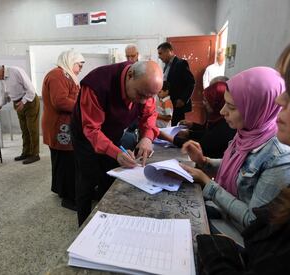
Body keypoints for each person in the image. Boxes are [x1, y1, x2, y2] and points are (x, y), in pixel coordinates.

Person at [195, 24, 290, 275]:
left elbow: (254, 231)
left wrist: (208, 184)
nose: (280, 100)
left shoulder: (287, 162)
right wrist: (206, 162)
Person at [180, 66, 290, 230]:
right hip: (224, 215)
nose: (222, 111)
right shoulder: (248, 132)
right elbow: (241, 168)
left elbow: (253, 220)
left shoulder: (281, 158)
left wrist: (207, 183)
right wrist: (204, 161)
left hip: (239, 234)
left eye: (232, 107)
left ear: (258, 107)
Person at [71, 61, 162, 226]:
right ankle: (84, 226)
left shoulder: (145, 87)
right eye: (141, 95)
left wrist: (147, 137)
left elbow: (150, 114)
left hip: (112, 132)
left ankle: (106, 221)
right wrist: (117, 153)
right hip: (85, 136)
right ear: (130, 75)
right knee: (87, 179)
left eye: (150, 96)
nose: (143, 101)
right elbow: (92, 130)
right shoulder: (96, 85)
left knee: (110, 174)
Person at [41, 50, 85, 211]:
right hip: (59, 126)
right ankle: (68, 198)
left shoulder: (65, 75)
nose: (80, 69)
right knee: (66, 162)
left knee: (62, 161)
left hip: (64, 125)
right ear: (70, 61)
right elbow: (60, 101)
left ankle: (60, 190)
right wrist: (83, 107)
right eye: (79, 65)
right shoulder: (57, 75)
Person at [161, 78, 235, 158]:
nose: (203, 103)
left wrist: (169, 138)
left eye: (207, 100)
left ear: (216, 101)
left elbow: (203, 145)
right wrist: (190, 131)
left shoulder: (227, 123)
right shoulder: (216, 118)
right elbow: (208, 133)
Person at [0, 62, 40, 164]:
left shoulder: (16, 71)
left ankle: (35, 154)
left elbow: (31, 90)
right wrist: (0, 104)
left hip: (29, 101)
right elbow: (5, 93)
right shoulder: (1, 78)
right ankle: (26, 153)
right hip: (18, 103)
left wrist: (23, 102)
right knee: (24, 129)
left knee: (32, 129)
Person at [157, 42, 195, 126]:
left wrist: (183, 99)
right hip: (168, 102)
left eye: (160, 53)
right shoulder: (166, 66)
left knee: (176, 128)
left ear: (168, 51)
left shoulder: (181, 63)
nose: (159, 56)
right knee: (168, 125)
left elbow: (191, 82)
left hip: (177, 103)